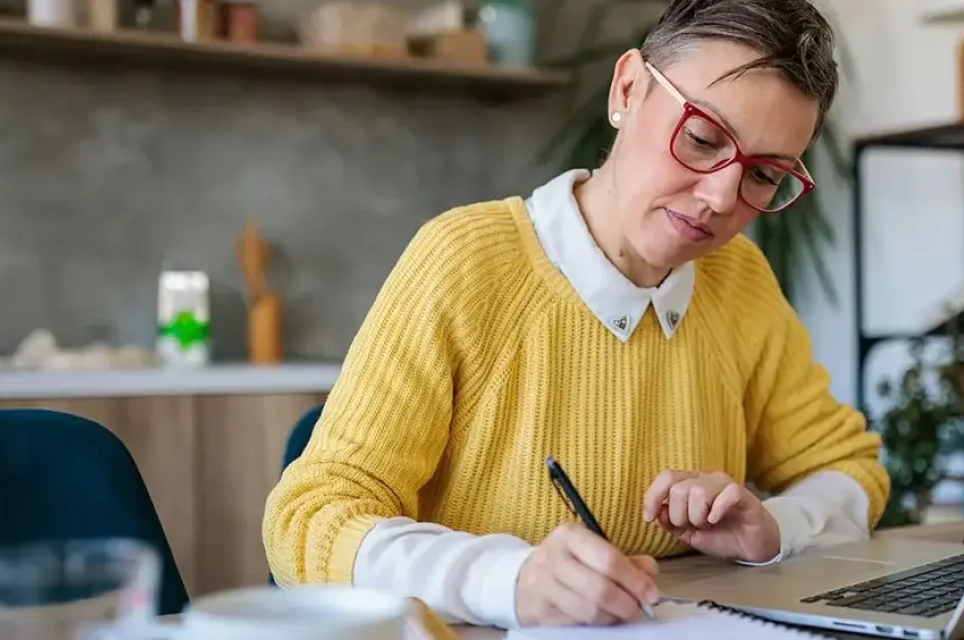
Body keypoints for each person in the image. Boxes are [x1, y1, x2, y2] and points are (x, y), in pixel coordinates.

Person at [263, 0, 889, 630]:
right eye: (701, 139)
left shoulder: (740, 284)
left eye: (762, 175)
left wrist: (772, 527)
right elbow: (308, 519)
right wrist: (507, 580)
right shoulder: (465, 263)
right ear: (628, 88)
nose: (720, 198)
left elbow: (850, 469)